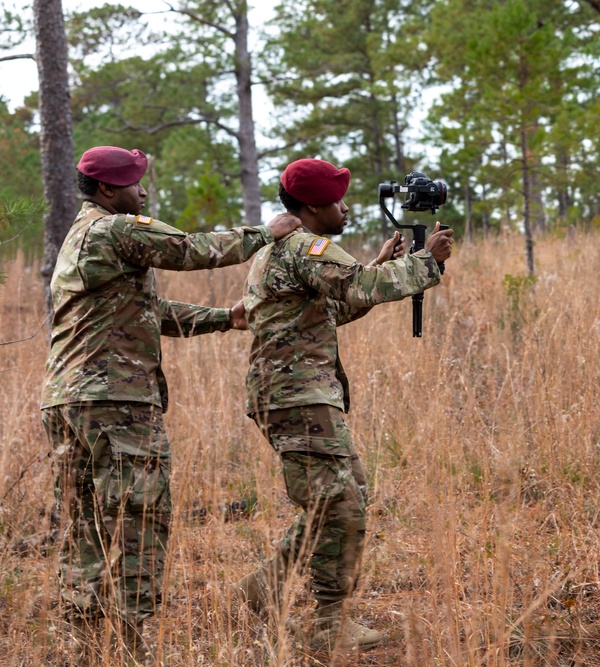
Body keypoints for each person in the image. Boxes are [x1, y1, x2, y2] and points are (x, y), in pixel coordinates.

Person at [41, 145, 301, 660]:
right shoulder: (118, 229)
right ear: (109, 190)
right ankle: (128, 640)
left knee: (84, 522)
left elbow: (148, 310)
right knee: (141, 519)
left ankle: (83, 638)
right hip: (118, 402)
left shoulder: (81, 235)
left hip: (67, 402)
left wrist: (224, 316)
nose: (144, 191)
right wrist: (263, 234)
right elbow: (192, 249)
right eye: (136, 183)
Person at [234, 158, 453, 656]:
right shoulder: (308, 247)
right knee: (342, 503)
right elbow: (354, 288)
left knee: (339, 495)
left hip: (295, 396)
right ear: (312, 206)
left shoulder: (287, 251)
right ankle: (329, 624)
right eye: (336, 201)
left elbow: (336, 306)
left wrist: (377, 268)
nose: (346, 208)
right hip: (297, 397)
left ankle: (263, 588)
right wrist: (427, 261)